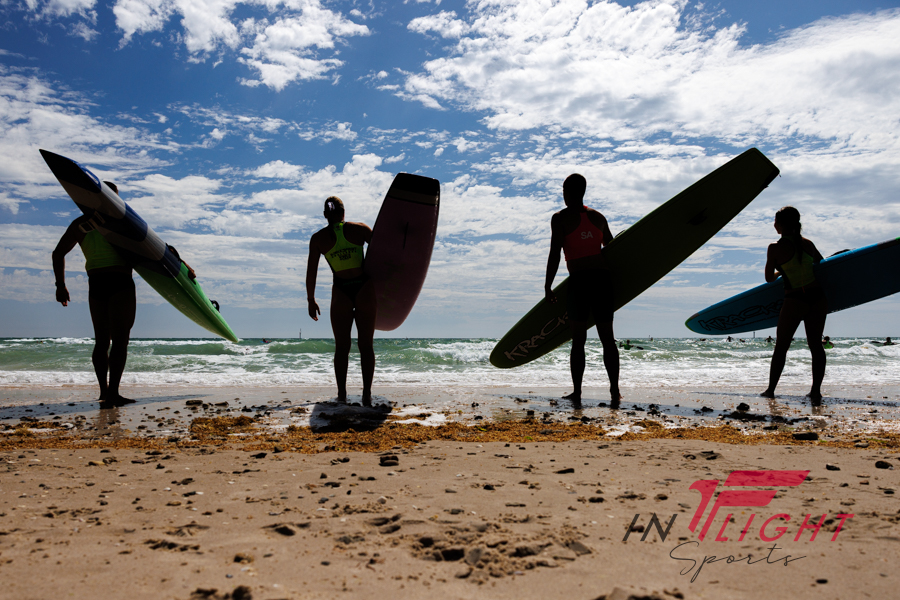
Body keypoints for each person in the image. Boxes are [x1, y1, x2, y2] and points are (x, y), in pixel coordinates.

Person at [52, 182, 136, 406]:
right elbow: (150, 249)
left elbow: (58, 253)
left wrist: (60, 285)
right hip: (120, 281)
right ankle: (113, 394)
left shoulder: (80, 224)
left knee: (101, 341)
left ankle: (104, 392)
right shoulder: (122, 221)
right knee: (120, 341)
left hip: (96, 283)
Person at [545, 173, 620, 404]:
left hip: (579, 282)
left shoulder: (560, 218)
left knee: (578, 340)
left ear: (567, 192)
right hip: (602, 281)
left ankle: (577, 392)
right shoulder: (598, 217)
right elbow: (611, 247)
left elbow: (555, 253)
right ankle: (614, 391)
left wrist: (548, 285)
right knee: (608, 338)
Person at [306, 196, 376, 403]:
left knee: (342, 347)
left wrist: (311, 299)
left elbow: (311, 272)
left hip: (341, 292)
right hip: (363, 288)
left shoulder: (318, 239)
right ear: (343, 212)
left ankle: (342, 395)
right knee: (366, 345)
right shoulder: (360, 229)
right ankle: (367, 394)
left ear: (325, 215)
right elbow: (383, 256)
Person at [760, 206, 827, 401]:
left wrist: (780, 271)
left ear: (780, 225)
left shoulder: (774, 248)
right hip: (817, 298)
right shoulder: (808, 244)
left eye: (775, 222)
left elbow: (769, 278)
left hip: (795, 300)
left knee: (781, 346)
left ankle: (770, 390)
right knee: (816, 346)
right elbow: (821, 264)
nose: (774, 225)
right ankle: (816, 391)